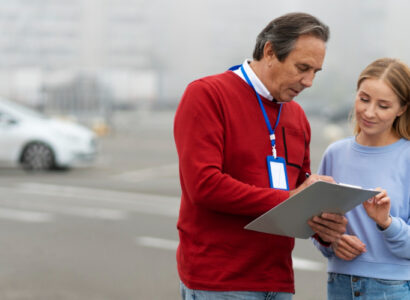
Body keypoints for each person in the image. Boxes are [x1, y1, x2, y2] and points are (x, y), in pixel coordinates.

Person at [174, 12, 347, 300]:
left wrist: (323, 223)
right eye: (302, 67)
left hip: (278, 280)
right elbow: (203, 186)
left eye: (315, 71)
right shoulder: (206, 94)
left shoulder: (297, 115)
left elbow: (297, 188)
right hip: (220, 281)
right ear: (269, 52)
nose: (308, 82)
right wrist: (291, 198)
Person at [314, 58, 410, 300]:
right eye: (364, 99)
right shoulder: (334, 154)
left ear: (402, 109)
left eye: (383, 106)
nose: (369, 112)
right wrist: (331, 241)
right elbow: (316, 224)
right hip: (338, 284)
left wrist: (386, 222)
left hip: (393, 288)